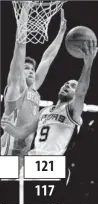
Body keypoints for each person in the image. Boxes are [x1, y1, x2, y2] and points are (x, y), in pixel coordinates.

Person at [1, 38, 98, 155]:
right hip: (26, 157)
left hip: (50, 163)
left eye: (72, 86)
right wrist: (9, 128)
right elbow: (24, 132)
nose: (67, 85)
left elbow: (81, 91)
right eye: (66, 83)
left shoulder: (73, 111)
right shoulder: (44, 111)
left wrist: (88, 65)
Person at [1, 4, 67, 157]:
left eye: (32, 69)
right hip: (6, 151)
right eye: (26, 68)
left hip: (23, 152)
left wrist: (61, 33)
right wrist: (24, 11)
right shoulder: (16, 86)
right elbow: (20, 46)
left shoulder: (34, 88)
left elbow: (48, 58)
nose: (31, 71)